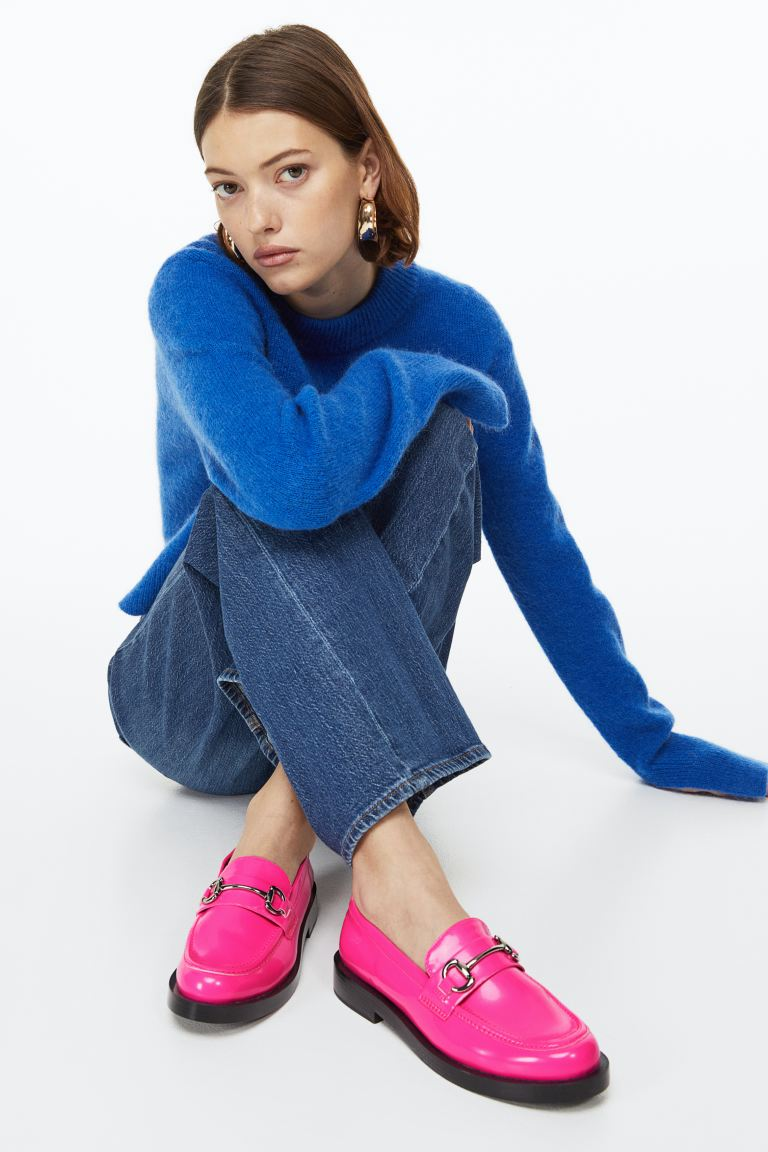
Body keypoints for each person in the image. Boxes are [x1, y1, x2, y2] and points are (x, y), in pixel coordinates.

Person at [106, 24, 766, 1107]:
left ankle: (282, 827)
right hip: (192, 694)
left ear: (364, 169)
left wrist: (646, 737)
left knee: (451, 440)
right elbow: (283, 484)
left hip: (329, 700)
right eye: (228, 186)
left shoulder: (458, 320)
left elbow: (536, 542)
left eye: (290, 173)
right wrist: (406, 378)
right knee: (270, 473)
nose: (256, 218)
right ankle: (401, 891)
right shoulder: (199, 289)